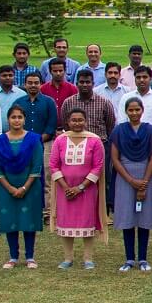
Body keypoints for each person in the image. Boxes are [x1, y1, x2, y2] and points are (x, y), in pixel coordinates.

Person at [108, 97, 152, 272]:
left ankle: (143, 259)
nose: (134, 113)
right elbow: (115, 158)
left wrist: (143, 183)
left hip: (146, 176)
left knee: (144, 218)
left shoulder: (150, 131)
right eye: (131, 110)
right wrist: (131, 181)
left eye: (137, 110)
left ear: (142, 110)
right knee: (127, 218)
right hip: (124, 177)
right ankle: (129, 258)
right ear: (126, 111)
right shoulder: (118, 131)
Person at [48, 107, 104, 270]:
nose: (77, 123)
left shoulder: (94, 140)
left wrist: (80, 187)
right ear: (67, 121)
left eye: (80, 120)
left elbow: (97, 166)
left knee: (87, 222)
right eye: (74, 120)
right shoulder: (60, 140)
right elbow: (53, 165)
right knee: (66, 222)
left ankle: (88, 258)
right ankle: (68, 258)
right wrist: (67, 188)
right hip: (64, 190)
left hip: (87, 190)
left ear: (85, 121)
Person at [0, 105, 44, 268]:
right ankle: (13, 256)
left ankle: (30, 257)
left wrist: (24, 188)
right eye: (13, 117)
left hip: (30, 187)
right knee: (10, 219)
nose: (16, 120)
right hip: (6, 188)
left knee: (29, 221)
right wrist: (11, 188)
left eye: (20, 117)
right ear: (8, 119)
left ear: (24, 119)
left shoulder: (34, 139)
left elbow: (37, 166)